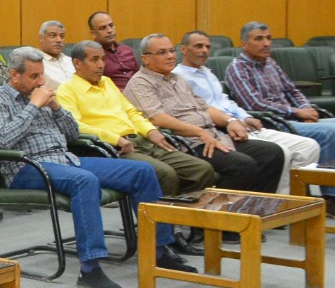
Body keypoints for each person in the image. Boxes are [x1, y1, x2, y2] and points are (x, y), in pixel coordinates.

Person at [0, 49, 197, 288]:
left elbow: (72, 135)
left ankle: (158, 249)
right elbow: (3, 140)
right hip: (26, 167)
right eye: (34, 76)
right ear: (14, 75)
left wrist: (56, 108)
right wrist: (33, 106)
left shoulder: (42, 95)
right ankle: (90, 268)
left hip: (65, 159)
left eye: (42, 75)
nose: (41, 82)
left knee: (142, 172)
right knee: (85, 181)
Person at [225, 21, 335, 214]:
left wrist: (306, 109)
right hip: (274, 123)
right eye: (259, 39)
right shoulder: (237, 68)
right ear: (244, 44)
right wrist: (296, 112)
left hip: (297, 119)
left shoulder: (271, 63)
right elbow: (254, 103)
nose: (266, 43)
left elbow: (293, 91)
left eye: (268, 38)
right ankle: (332, 196)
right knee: (330, 131)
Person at [125, 35, 285, 193]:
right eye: (162, 52)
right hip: (187, 143)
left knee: (272, 153)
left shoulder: (177, 78)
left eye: (172, 51)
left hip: (213, 135)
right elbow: (157, 118)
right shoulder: (140, 83)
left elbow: (205, 108)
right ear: (145, 59)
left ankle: (253, 205)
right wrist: (199, 132)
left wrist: (230, 121)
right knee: (242, 165)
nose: (170, 56)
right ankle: (217, 208)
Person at [56, 41, 216, 200]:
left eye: (103, 59)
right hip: (114, 148)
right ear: (77, 63)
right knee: (165, 174)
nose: (101, 65)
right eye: (94, 60)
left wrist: (150, 130)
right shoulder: (67, 91)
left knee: (201, 169)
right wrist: (115, 139)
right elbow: (76, 126)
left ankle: (180, 212)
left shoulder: (107, 82)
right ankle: (157, 215)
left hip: (142, 140)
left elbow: (131, 112)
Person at [174, 31, 320, 196]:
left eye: (207, 47)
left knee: (309, 146)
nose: (205, 51)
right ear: (183, 49)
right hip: (222, 129)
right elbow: (200, 110)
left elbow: (225, 101)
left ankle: (292, 199)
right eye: (198, 46)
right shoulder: (179, 77)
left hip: (240, 122)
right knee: (280, 152)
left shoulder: (207, 73)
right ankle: (276, 201)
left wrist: (246, 116)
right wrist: (231, 121)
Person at [88, 12, 139, 90]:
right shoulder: (93, 56)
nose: (109, 30)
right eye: (103, 28)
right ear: (93, 34)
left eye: (111, 25)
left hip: (138, 91)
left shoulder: (126, 50)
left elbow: (138, 75)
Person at [25, 20, 75, 90]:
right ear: (41, 38)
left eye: (62, 36)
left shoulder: (71, 61)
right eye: (53, 36)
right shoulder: (34, 63)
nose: (59, 40)